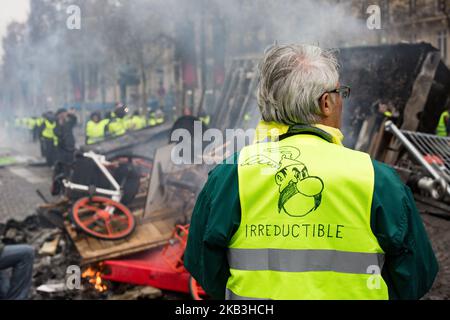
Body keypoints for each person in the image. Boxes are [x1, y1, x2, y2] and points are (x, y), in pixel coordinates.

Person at [184, 44, 438, 300]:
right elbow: (416, 274)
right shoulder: (377, 180)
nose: (341, 101)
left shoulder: (231, 175)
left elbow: (202, 263)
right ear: (326, 103)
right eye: (341, 93)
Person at [54, 108, 77, 175]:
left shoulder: (68, 123)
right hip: (62, 147)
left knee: (70, 161)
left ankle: (69, 173)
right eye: (61, 114)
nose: (63, 116)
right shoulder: (56, 124)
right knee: (62, 162)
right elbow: (57, 133)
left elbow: (74, 120)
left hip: (70, 145)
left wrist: (69, 114)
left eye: (64, 114)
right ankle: (63, 174)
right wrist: (59, 124)